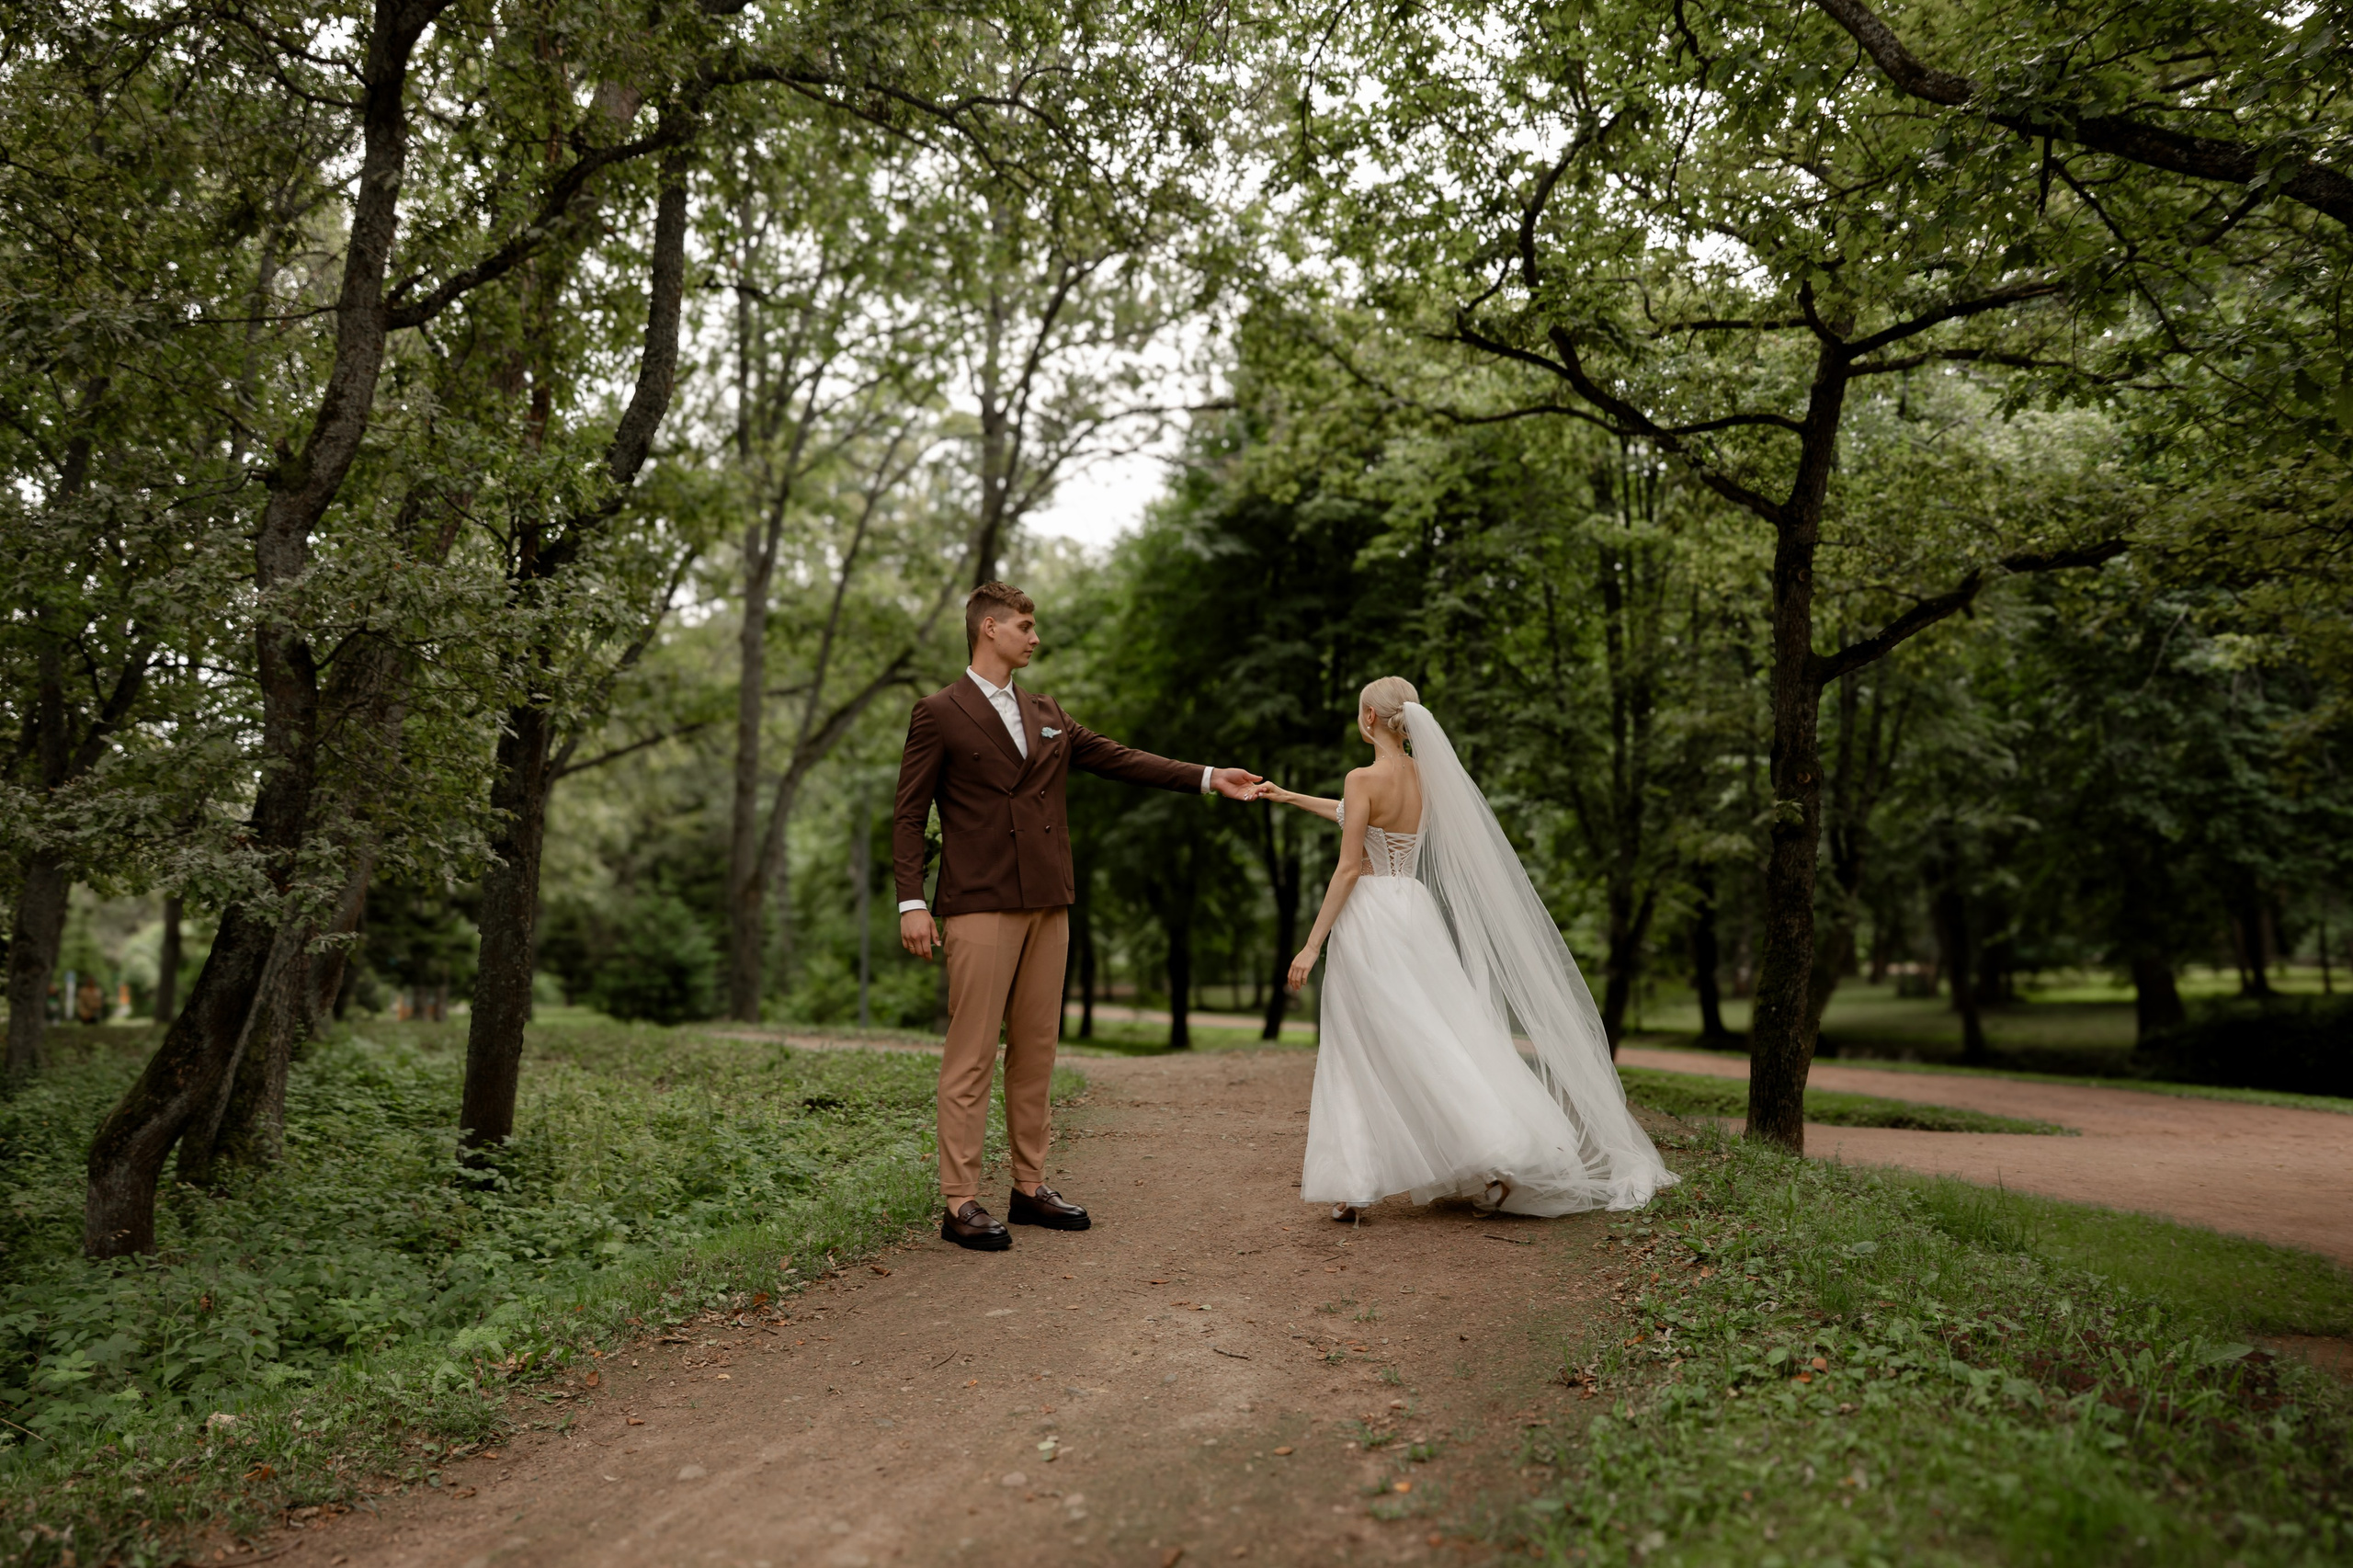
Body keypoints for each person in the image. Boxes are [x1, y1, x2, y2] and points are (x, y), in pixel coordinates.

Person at [893, 582, 1261, 1251]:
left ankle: (1030, 1187)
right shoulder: (938, 713)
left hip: (1048, 902)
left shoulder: (1046, 710)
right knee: (972, 1055)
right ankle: (960, 1200)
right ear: (990, 630)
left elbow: (1118, 758)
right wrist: (911, 899)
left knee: (1036, 1052)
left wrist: (1209, 776)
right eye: (1026, 626)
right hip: (977, 903)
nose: (1035, 638)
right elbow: (909, 812)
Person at [1252, 677, 1673, 1219]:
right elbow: (1360, 816)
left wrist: (1312, 945)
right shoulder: (1429, 776)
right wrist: (1288, 796)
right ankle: (1498, 1158)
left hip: (1372, 917)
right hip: (1414, 910)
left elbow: (1351, 865)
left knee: (1360, 1042)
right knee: (1441, 1031)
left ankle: (1356, 1184)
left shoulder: (1362, 778)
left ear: (1370, 719)